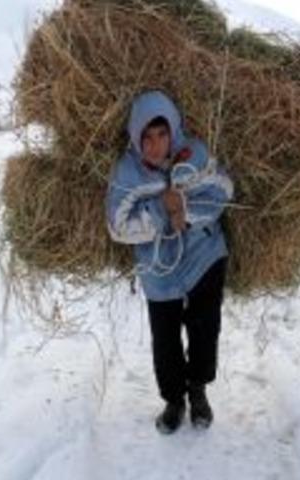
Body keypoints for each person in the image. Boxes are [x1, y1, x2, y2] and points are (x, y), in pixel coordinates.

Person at [106, 90, 234, 435]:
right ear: (136, 136)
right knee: (165, 337)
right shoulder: (128, 172)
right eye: (146, 137)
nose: (155, 145)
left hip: (204, 253)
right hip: (158, 266)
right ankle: (174, 399)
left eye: (162, 134)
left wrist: (186, 212)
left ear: (173, 130)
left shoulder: (194, 154)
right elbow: (118, 227)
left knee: (205, 326)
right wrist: (162, 211)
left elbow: (223, 190)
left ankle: (198, 389)